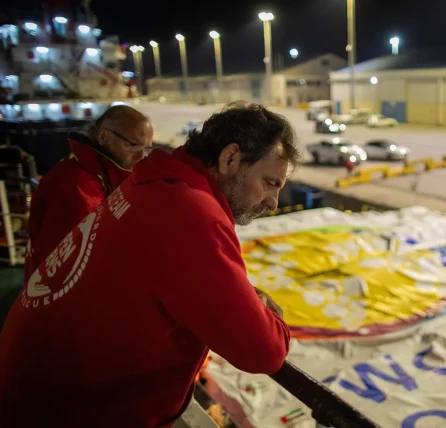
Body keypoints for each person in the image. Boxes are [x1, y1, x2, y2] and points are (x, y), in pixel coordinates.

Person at [0, 102, 299, 427]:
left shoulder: (153, 183)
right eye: (270, 183)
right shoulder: (192, 216)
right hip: (68, 411)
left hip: (33, 389)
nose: (273, 203)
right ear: (230, 159)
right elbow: (264, 351)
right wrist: (268, 310)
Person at [25, 105, 153, 276]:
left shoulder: (103, 174)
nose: (140, 157)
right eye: (132, 145)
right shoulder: (75, 187)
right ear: (103, 135)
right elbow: (67, 269)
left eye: (145, 149)